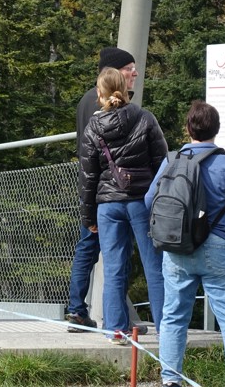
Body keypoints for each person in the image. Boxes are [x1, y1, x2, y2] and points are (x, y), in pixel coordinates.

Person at [146, 101, 225, 387]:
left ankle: (170, 380)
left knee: (173, 316)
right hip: (221, 245)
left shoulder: (172, 161)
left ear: (188, 129)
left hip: (178, 248)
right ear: (217, 130)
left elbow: (150, 201)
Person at [79, 67, 168, 344]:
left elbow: (88, 176)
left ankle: (115, 330)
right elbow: (162, 162)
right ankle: (167, 329)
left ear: (99, 93)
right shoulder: (145, 118)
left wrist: (87, 216)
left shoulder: (94, 126)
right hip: (142, 201)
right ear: (125, 88)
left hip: (108, 205)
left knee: (113, 268)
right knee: (155, 267)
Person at [66, 47, 139, 331]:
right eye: (129, 68)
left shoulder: (85, 100)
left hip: (90, 186)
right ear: (114, 71)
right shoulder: (112, 104)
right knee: (118, 252)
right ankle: (116, 318)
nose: (134, 73)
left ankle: (76, 310)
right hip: (112, 190)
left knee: (87, 248)